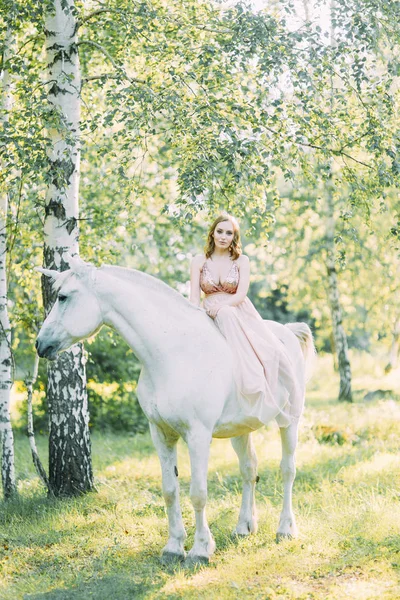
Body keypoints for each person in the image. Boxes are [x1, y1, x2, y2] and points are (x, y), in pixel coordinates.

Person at [190, 212, 305, 428]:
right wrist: (195, 316)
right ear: (212, 233)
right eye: (220, 231)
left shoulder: (242, 261)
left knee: (271, 351)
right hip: (208, 311)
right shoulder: (199, 261)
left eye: (229, 233)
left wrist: (222, 307)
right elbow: (195, 298)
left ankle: (254, 381)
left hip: (237, 310)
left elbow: (240, 295)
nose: (223, 236)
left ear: (234, 237)